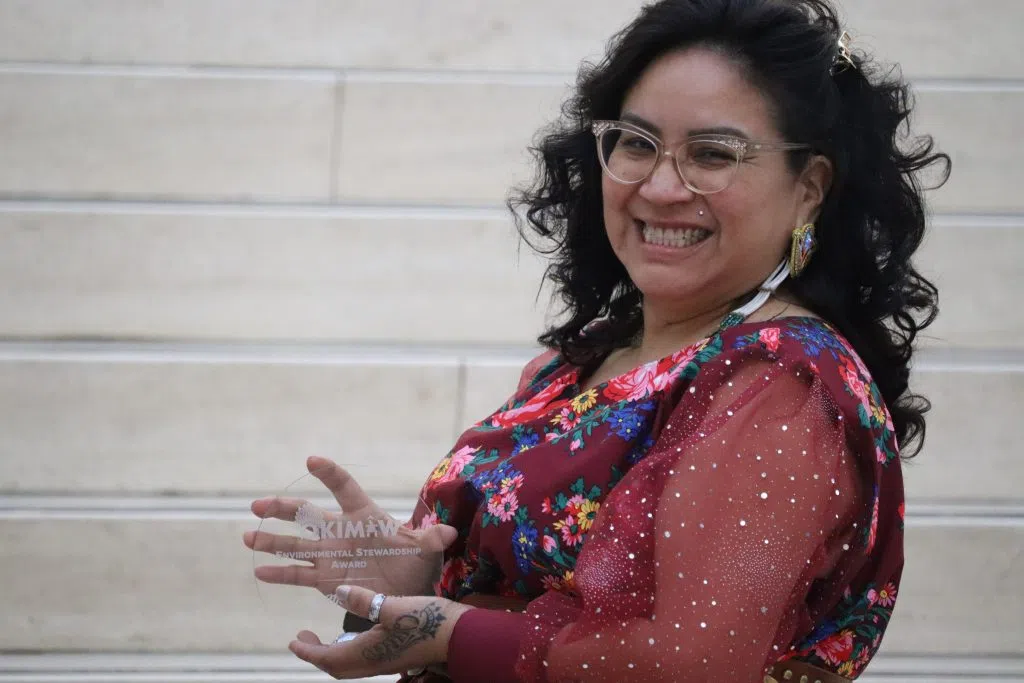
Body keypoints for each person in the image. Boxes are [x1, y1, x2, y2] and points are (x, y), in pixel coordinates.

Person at [244, 0, 950, 680]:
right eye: (637, 144)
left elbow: (690, 665)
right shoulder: (573, 365)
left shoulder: (784, 384)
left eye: (712, 154)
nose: (662, 186)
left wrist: (450, 631)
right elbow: (523, 590)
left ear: (810, 188)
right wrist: (416, 578)